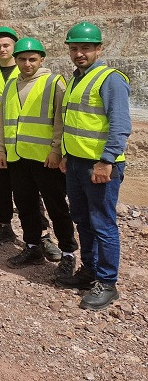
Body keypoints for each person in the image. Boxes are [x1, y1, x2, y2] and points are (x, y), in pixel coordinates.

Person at [58, 22, 131, 311]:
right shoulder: (77, 78)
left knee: (102, 223)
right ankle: (89, 271)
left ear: (99, 49)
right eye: (74, 48)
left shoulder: (110, 79)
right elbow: (75, 123)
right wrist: (66, 154)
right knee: (83, 219)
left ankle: (107, 283)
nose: (79, 53)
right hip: (76, 163)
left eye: (85, 48)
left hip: (100, 166)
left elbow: (120, 125)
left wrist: (106, 161)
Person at [0, 38, 78, 275]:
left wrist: (56, 150)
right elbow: (4, 120)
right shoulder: (11, 85)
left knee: (56, 207)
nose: (27, 63)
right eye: (22, 59)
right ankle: (32, 246)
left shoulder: (54, 83)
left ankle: (68, 253)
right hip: (18, 157)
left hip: (45, 159)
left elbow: (61, 121)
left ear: (42, 59)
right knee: (25, 205)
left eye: (32, 59)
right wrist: (1, 148)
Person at [0, 28, 59, 256]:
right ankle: (5, 226)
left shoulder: (29, 70)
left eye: (6, 45)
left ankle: (42, 235)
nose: (2, 49)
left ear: (15, 48)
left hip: (26, 140)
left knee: (30, 190)